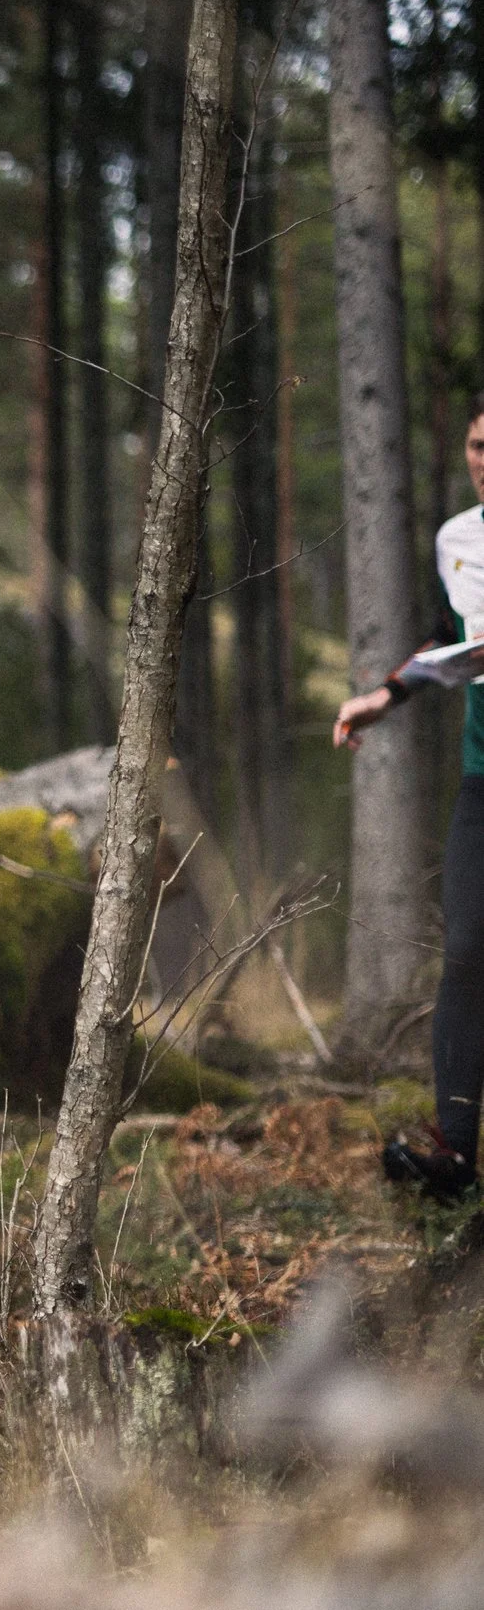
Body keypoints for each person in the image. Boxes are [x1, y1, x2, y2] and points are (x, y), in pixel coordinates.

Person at [334, 396, 484, 1201]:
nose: (483, 459)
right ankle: (454, 1153)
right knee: (464, 947)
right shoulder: (457, 540)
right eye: (475, 445)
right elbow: (445, 634)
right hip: (482, 773)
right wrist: (382, 696)